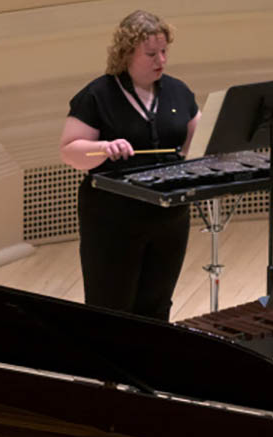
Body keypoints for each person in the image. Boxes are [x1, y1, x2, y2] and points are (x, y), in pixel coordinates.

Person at [59, 9, 201, 321]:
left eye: (164, 51)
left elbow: (200, 139)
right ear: (126, 55)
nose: (160, 60)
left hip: (169, 217)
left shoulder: (178, 91)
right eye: (151, 53)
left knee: (157, 304)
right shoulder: (97, 96)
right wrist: (103, 148)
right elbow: (69, 151)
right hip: (113, 219)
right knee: (111, 308)